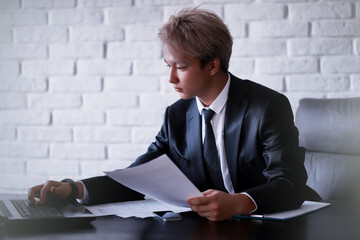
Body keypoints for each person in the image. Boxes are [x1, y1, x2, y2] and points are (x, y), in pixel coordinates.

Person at [28, 7, 320, 221]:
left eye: (180, 67)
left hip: (280, 224)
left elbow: (289, 183)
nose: (171, 78)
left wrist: (238, 203)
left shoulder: (267, 106)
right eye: (167, 65)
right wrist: (74, 188)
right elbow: (138, 176)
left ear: (213, 65)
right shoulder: (177, 116)